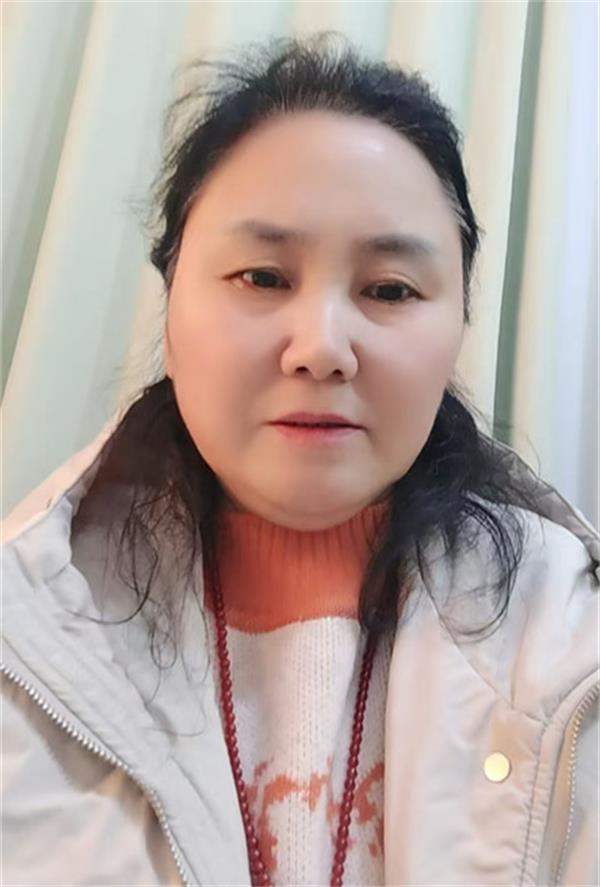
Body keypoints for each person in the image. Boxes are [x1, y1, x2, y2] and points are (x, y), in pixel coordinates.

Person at [2, 32, 598, 887]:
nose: (321, 348)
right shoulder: (27, 634)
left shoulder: (572, 640)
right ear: (171, 297)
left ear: (458, 323)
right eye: (262, 277)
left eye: (389, 289)